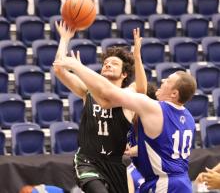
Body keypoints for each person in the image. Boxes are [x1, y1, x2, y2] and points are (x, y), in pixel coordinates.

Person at [54, 49, 197, 192]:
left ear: (174, 94)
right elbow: (165, 145)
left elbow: (106, 98)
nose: (163, 80)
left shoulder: (152, 107)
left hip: (161, 181)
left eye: (168, 80)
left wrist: (78, 67)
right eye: (105, 63)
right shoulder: (189, 118)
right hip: (179, 180)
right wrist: (138, 148)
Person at [53, 21, 147, 193]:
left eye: (114, 63)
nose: (108, 64)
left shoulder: (127, 95)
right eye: (105, 63)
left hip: (115, 163)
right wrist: (64, 39)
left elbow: (141, 88)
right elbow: (59, 69)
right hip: (87, 160)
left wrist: (137, 57)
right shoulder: (87, 91)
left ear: (124, 74)